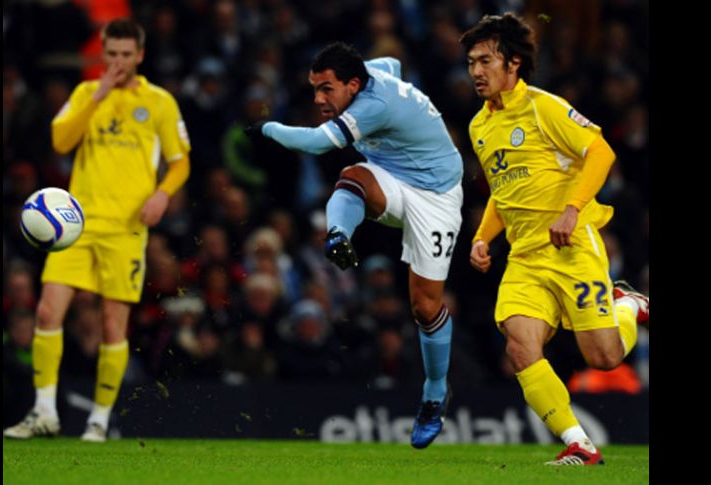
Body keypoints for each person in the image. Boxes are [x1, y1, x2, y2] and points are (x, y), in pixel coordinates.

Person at [249, 42, 464, 449]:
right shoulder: (369, 74)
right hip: (392, 177)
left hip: (437, 197)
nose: (318, 99)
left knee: (425, 307)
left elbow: (314, 143)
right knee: (352, 175)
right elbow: (393, 62)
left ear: (352, 85)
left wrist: (267, 128)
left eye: (326, 89)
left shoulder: (372, 105)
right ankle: (338, 235)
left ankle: (435, 391)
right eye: (314, 88)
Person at [460, 13, 649, 465]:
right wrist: (483, 237)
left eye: (486, 61)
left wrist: (571, 209)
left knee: (604, 357)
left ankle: (627, 305)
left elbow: (600, 151)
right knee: (519, 345)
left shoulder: (543, 107)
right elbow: (503, 191)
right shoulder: (479, 126)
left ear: (513, 63)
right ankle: (579, 443)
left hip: (571, 246)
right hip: (524, 257)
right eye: (471, 62)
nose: (476, 71)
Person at [4, 18, 191, 443]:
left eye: (126, 54)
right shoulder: (86, 93)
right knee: (47, 312)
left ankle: (99, 421)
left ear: (140, 55)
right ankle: (44, 412)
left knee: (112, 324)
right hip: (76, 225)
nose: (118, 62)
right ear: (102, 54)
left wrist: (162, 195)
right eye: (111, 54)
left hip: (126, 228)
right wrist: (98, 96)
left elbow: (181, 162)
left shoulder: (159, 102)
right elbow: (60, 141)